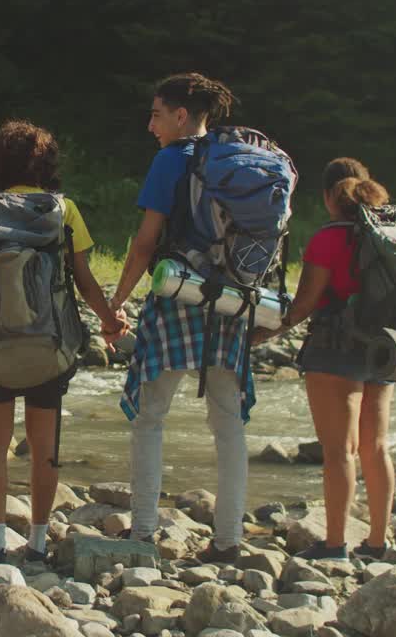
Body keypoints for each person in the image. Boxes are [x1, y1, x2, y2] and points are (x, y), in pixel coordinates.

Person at [0, 120, 128, 564]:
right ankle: (40, 543)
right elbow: (83, 280)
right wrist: (109, 321)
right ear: (47, 163)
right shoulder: (65, 211)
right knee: (45, 443)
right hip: (52, 343)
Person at [107, 73, 252, 563]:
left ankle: (144, 533)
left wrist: (116, 302)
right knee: (228, 423)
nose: (151, 125)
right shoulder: (236, 160)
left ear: (181, 116)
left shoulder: (171, 159)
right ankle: (229, 540)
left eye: (156, 114)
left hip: (177, 297)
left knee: (150, 417)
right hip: (231, 302)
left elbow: (145, 242)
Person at [253, 157, 394, 561]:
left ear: (330, 196)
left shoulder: (329, 239)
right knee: (377, 447)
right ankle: (378, 542)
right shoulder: (387, 234)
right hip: (384, 349)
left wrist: (265, 334)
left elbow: (303, 306)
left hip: (336, 350)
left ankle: (335, 544)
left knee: (339, 451)